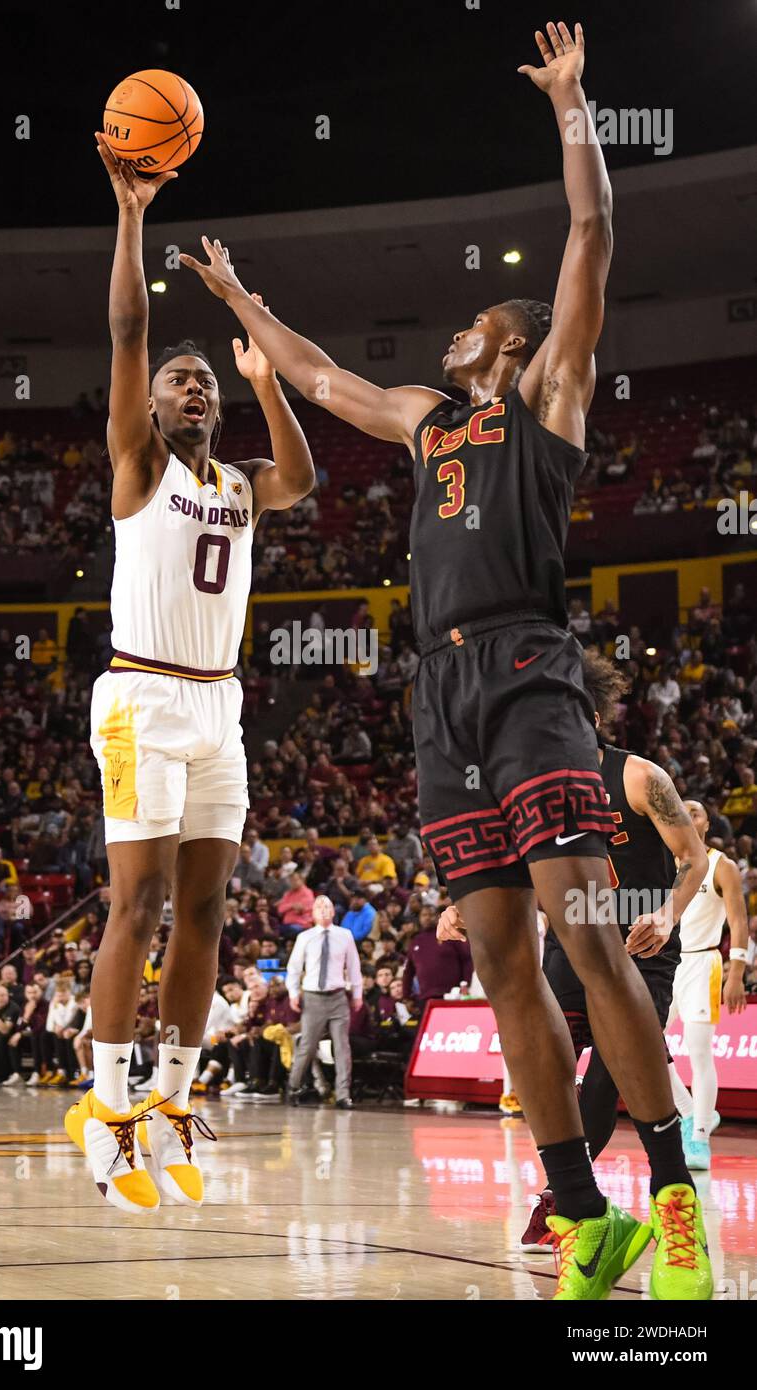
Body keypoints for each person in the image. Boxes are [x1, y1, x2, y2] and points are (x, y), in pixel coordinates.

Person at [180, 20, 710, 1300]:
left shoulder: (549, 401)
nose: (453, 337)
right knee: (501, 956)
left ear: (515, 345)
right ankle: (586, 1215)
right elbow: (315, 375)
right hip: (441, 697)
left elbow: (590, 240)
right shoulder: (428, 423)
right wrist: (239, 298)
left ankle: (678, 1198)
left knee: (584, 938)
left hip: (529, 674)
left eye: (474, 325)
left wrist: (572, 104)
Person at [64, 132, 316, 1216]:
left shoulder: (241, 481)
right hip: (140, 697)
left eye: (203, 379)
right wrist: (129, 216)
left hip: (219, 705)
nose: (190, 386)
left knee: (208, 909)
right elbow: (129, 327)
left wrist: (266, 382)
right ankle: (105, 1103)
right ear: (153, 407)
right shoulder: (137, 464)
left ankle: (172, 1097)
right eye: (181, 379)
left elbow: (301, 480)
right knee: (140, 902)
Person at [519, 652, 708, 1253]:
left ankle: (572, 1200)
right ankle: (573, 1196)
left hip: (643, 945)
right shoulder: (538, 787)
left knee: (608, 1079)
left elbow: (695, 857)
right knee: (549, 1068)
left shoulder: (638, 776)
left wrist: (668, 910)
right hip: (574, 943)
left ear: (591, 715)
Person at [666, 800, 750, 1169]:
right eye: (681, 809)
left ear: (705, 823)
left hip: (704, 961)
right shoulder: (662, 863)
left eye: (695, 811)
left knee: (699, 1052)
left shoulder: (722, 865)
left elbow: (740, 921)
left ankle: (699, 1136)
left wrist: (736, 973)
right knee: (646, 1043)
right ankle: (690, 1112)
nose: (687, 814)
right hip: (665, 964)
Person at [286, 894, 362, 1108]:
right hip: (313, 997)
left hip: (338, 995)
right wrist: (293, 993)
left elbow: (354, 966)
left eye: (327, 905)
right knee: (308, 1046)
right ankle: (293, 1086)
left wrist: (357, 994)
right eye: (319, 906)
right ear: (312, 913)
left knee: (342, 1047)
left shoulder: (345, 935)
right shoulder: (305, 937)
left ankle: (343, 1094)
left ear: (333, 910)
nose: (324, 909)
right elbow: (294, 967)